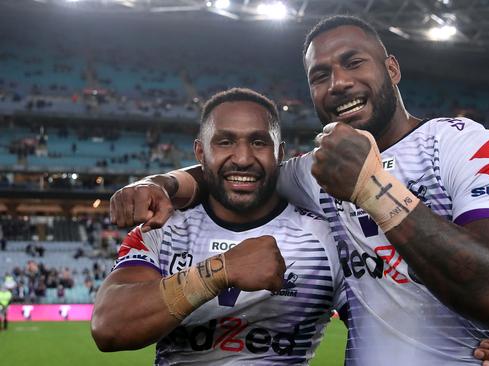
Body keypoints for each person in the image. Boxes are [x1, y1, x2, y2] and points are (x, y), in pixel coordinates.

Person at [109, 16, 489, 365]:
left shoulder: (469, 147)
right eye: (321, 75)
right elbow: (240, 172)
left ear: (391, 68)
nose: (338, 83)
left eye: (354, 63)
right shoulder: (316, 172)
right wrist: (162, 183)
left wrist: (372, 189)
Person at [92, 88, 346, 364]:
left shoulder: (326, 240)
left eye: (259, 142)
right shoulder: (161, 229)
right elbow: (109, 328)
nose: (243, 159)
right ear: (201, 152)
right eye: (225, 142)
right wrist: (217, 272)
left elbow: (381, 326)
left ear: (279, 153)